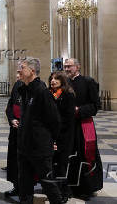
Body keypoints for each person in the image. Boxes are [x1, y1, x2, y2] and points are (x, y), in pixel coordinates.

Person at [17, 57, 63, 204]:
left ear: (31, 70)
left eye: (22, 67)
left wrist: (51, 140)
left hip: (39, 148)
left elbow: (55, 120)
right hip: (25, 146)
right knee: (24, 184)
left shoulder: (42, 91)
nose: (18, 70)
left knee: (48, 183)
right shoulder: (25, 90)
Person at [64, 58, 103, 200]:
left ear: (78, 67)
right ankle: (68, 185)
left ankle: (86, 187)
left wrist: (78, 110)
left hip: (82, 126)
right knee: (68, 155)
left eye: (70, 66)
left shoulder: (88, 82)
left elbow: (95, 105)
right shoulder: (63, 82)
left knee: (84, 155)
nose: (67, 69)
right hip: (67, 127)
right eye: (65, 66)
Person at [48, 71, 76, 203]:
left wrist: (56, 136)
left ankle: (65, 191)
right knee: (53, 164)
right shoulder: (50, 94)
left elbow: (68, 119)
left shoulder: (68, 95)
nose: (53, 81)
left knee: (62, 165)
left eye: (56, 79)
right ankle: (55, 189)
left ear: (63, 81)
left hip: (63, 136)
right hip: (51, 135)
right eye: (52, 78)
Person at [4, 71, 23, 197]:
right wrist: (11, 119)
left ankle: (26, 189)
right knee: (14, 159)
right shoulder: (17, 85)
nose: (17, 74)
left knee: (25, 161)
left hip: (27, 130)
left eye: (20, 71)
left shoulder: (39, 87)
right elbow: (10, 105)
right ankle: (16, 186)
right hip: (15, 128)